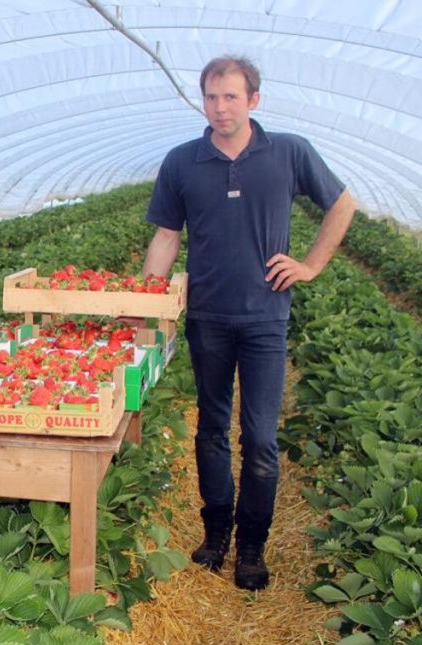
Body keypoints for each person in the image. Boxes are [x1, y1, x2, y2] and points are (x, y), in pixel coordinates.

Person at [142, 55, 355, 590]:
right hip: (208, 315)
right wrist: (145, 300)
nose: (220, 107)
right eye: (212, 97)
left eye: (231, 96)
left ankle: (252, 548)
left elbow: (343, 204)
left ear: (253, 100)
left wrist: (310, 265)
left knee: (259, 438)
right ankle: (216, 536)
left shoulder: (287, 152)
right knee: (212, 428)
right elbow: (167, 235)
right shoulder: (182, 161)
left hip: (265, 318)